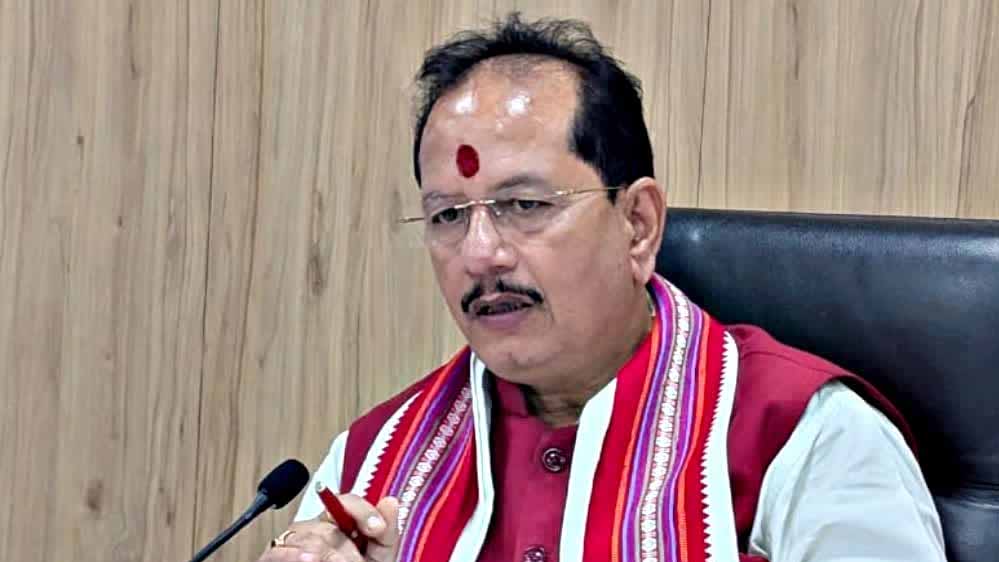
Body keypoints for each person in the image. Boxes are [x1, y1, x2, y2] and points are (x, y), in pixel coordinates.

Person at [257, 13, 946, 562]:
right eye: (447, 216)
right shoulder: (373, 461)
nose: (481, 253)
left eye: (525, 205)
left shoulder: (806, 438)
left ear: (638, 224)